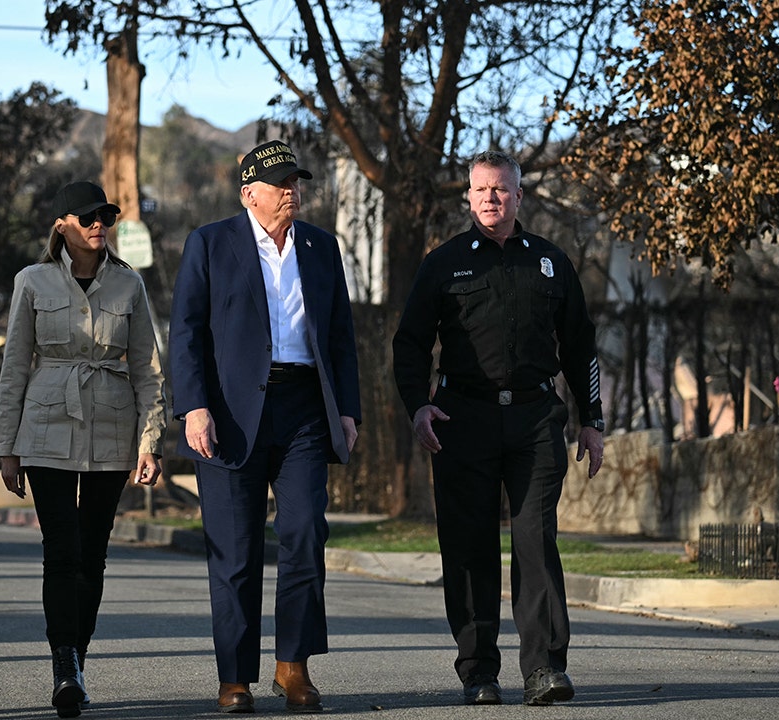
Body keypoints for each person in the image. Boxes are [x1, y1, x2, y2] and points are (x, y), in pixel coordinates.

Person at [392, 150, 605, 707]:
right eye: (481, 189)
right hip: (462, 419)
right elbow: (409, 343)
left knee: (536, 542)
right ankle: (479, 670)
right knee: (470, 546)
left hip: (536, 418)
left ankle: (544, 669)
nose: (491, 198)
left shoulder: (551, 262)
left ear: (518, 196)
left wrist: (593, 421)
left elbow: (581, 343)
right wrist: (418, 406)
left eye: (502, 189)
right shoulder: (443, 264)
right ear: (468, 196)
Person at [169, 140, 361, 714]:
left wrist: (346, 411)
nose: (291, 191)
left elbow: (341, 337)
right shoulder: (210, 242)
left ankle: (292, 666)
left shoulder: (322, 247)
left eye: (296, 182)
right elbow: (186, 332)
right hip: (229, 413)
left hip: (303, 407)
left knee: (304, 533)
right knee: (236, 549)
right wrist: (193, 407)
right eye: (280, 183)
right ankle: (235, 678)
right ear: (248, 192)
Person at [0, 181, 167, 719]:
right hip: (44, 426)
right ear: (62, 224)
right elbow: (15, 364)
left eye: (107, 215)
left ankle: (77, 658)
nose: (100, 223)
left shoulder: (129, 284)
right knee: (60, 551)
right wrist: (6, 445)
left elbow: (148, 369)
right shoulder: (32, 281)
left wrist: (151, 441)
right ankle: (63, 662)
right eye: (89, 215)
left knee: (93, 552)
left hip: (112, 429)